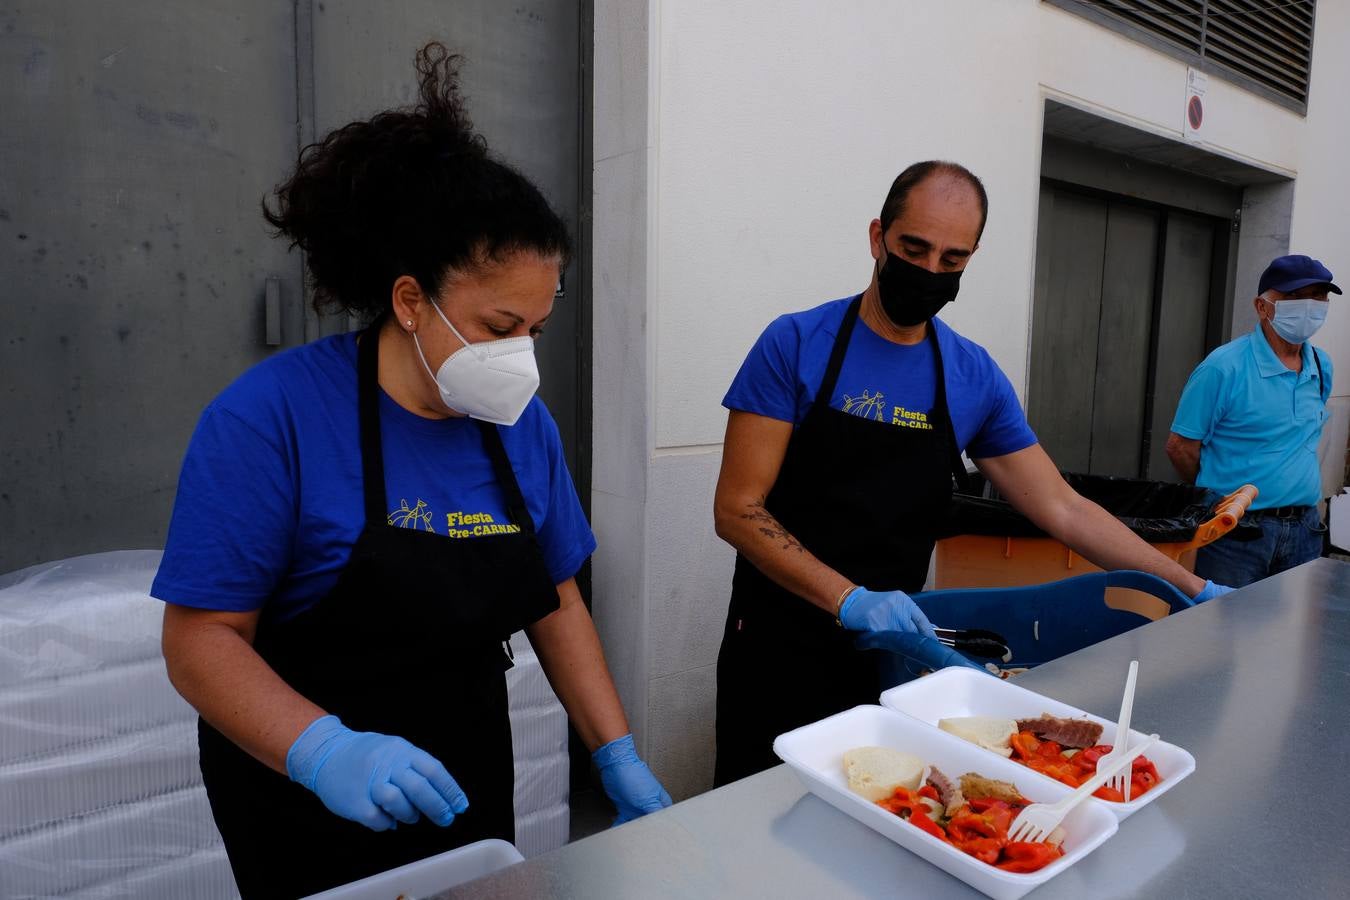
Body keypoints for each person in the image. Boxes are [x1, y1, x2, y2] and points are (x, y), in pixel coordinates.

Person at [152, 45, 669, 899]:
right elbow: (200, 641)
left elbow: (559, 596)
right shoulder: (270, 418)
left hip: (465, 764)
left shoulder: (519, 424)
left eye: (536, 329)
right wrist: (325, 750)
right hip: (301, 782)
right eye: (500, 324)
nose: (520, 355)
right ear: (408, 301)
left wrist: (614, 751)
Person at [711, 160, 1233, 785]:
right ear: (878, 238)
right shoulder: (796, 343)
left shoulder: (971, 376)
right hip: (776, 641)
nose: (930, 271)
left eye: (952, 260)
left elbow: (1063, 509)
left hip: (898, 651)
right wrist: (846, 598)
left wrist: (1192, 590)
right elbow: (737, 509)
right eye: (914, 248)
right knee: (760, 819)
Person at [1166, 255, 1338, 587]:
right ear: (1262, 306)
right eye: (1295, 296)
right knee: (1224, 631)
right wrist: (1219, 497)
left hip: (1306, 530)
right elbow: (1180, 447)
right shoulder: (1223, 368)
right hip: (1237, 536)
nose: (1309, 305)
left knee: (1292, 636)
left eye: (1318, 296)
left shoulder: (1321, 365)